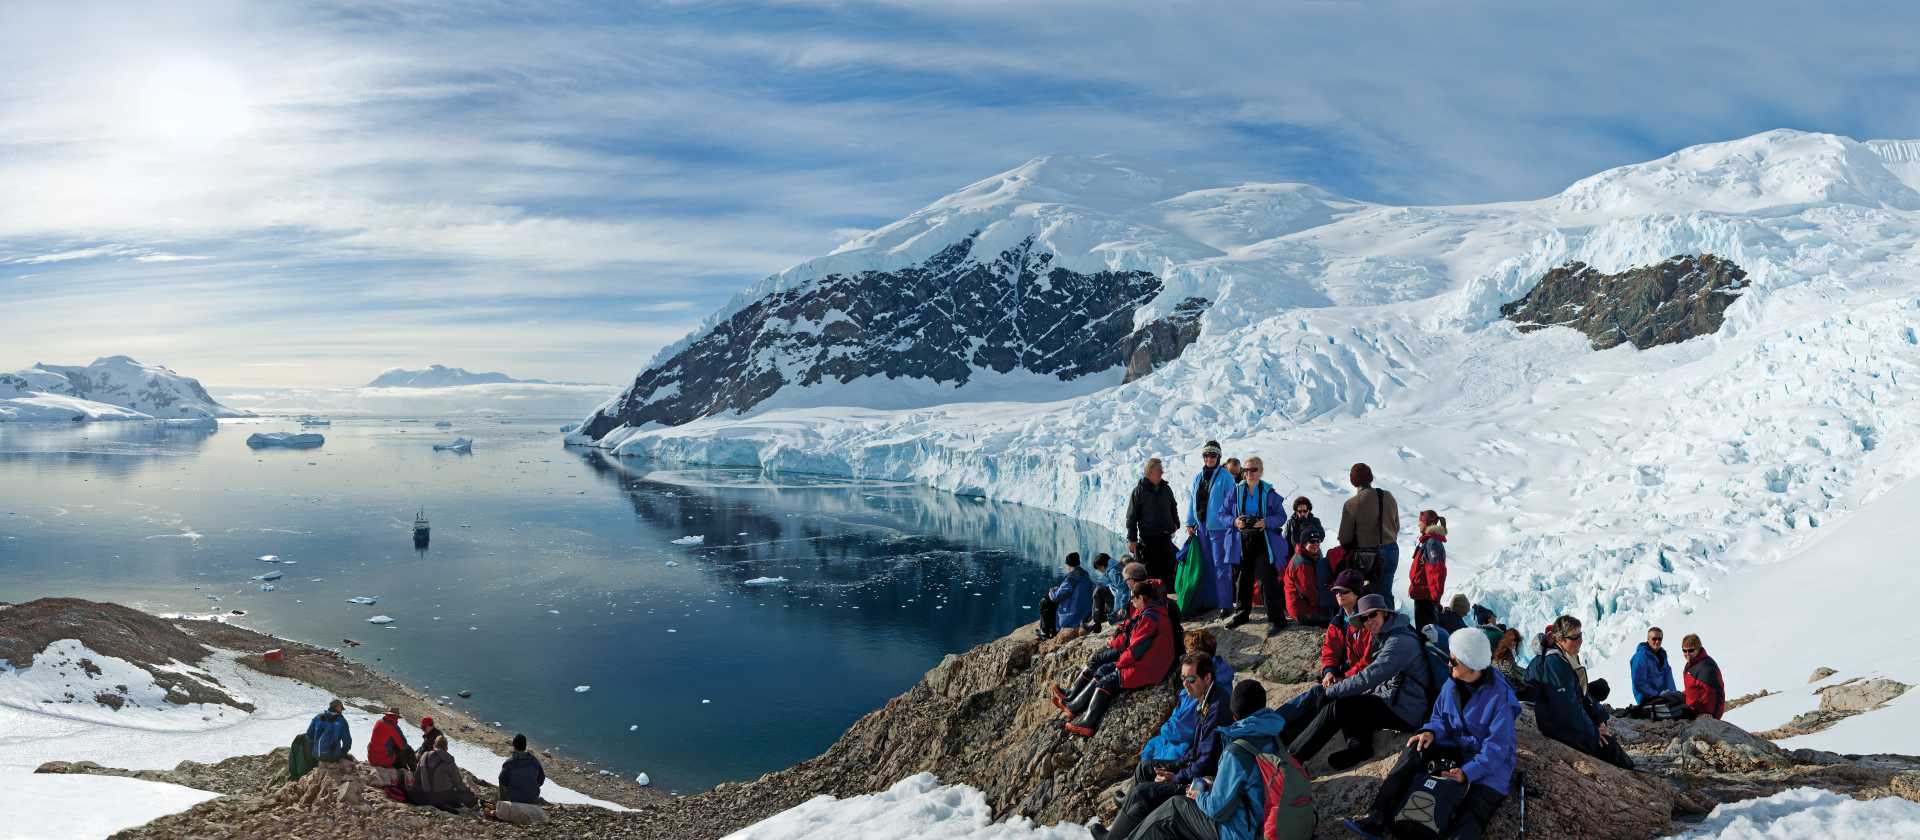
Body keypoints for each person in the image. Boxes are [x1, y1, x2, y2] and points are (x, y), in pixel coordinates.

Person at [1342, 629, 1520, 840]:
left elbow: (1497, 749)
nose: (1448, 664)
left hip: (1487, 761)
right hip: (1454, 745)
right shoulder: (1452, 684)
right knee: (1416, 747)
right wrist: (1430, 732)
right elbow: (1439, 718)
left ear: (1470, 664)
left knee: (1476, 807)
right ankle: (1378, 816)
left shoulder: (1501, 697)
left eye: (1453, 661)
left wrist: (1467, 772)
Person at [1117, 681, 1288, 840]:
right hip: (1261, 819)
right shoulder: (1273, 736)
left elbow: (1217, 810)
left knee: (1174, 807)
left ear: (1234, 716)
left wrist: (1200, 795)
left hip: (1241, 832)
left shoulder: (1237, 751)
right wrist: (1213, 784)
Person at [1287, 595, 1436, 770]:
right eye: (1364, 618)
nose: (1368, 621)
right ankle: (1359, 747)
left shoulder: (1399, 642)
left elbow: (1369, 677)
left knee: (1338, 707)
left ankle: (1293, 760)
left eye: (1373, 615)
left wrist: (1331, 691)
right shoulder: (1388, 634)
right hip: (1396, 699)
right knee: (1351, 700)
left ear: (1385, 614)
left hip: (1406, 709)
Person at [1102, 653, 1234, 840]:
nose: (1185, 684)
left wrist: (1176, 778)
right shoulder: (1206, 698)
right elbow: (1196, 750)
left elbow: (1206, 761)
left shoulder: (1217, 708)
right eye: (1183, 679)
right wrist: (1176, 767)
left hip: (1204, 784)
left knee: (1143, 792)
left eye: (1191, 679)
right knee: (1146, 767)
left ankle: (1122, 827)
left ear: (1207, 678)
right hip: (1197, 770)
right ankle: (1129, 814)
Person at [1052, 583, 1177, 737]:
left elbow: (1135, 651)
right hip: (1150, 662)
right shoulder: (1150, 612)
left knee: (1107, 680)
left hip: (1150, 668)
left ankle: (1088, 722)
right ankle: (1074, 707)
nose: (1131, 601)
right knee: (1103, 670)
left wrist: (1119, 664)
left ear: (1142, 598)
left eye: (1133, 598)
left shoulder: (1149, 619)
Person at [1526, 616, 1632, 769]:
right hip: (1557, 727)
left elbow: (1582, 695)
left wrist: (1599, 719)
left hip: (1561, 722)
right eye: (1575, 637)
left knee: (1609, 742)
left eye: (1581, 635)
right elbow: (1568, 710)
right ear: (1561, 640)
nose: (1580, 640)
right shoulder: (1555, 664)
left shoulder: (1566, 657)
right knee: (1610, 748)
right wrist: (1594, 733)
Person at [1141, 631, 1237, 764]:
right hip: (1186, 739)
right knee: (1150, 748)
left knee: (1148, 759)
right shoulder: (1219, 673)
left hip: (1186, 746)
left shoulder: (1202, 688)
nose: (1186, 657)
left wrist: (1164, 728)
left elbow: (1182, 729)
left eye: (1189, 653)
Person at [1219, 457, 1288, 635]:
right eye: (1246, 470)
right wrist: (1235, 522)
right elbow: (1222, 514)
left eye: (1253, 470)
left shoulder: (1268, 492)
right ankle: (1242, 614)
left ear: (1261, 471)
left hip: (1263, 539)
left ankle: (1277, 619)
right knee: (1243, 577)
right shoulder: (1236, 491)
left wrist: (1266, 522)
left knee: (1268, 578)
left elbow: (1282, 517)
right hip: (1242, 539)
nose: (1249, 473)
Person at [1337, 463, 1401, 607]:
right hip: (1392, 549)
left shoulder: (1352, 504)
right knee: (1386, 592)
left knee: (1372, 596)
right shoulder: (1388, 496)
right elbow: (1396, 526)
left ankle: (1374, 627)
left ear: (1353, 481)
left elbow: (1344, 537)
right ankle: (1390, 624)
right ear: (1370, 478)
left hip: (1368, 556)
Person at [1187, 441, 1238, 613]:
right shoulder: (1198, 477)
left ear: (1218, 457)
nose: (1209, 458)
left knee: (1221, 566)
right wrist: (1189, 522)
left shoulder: (1226, 477)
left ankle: (1225, 604)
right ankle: (1210, 602)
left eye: (1213, 455)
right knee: (1207, 564)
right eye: (1206, 455)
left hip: (1220, 529)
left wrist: (1230, 522)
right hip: (1202, 527)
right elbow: (1191, 501)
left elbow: (1232, 503)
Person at [1127, 458, 1182, 585]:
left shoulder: (1166, 489)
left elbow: (1173, 506)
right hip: (1149, 542)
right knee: (1152, 574)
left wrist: (1176, 523)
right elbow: (1132, 517)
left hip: (1165, 539)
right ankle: (1154, 603)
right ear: (1150, 472)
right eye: (1159, 470)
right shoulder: (1139, 492)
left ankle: (1167, 601)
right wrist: (1132, 539)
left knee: (1168, 571)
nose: (1162, 472)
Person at [1282, 506, 1327, 626]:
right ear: (1303, 543)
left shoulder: (1308, 556)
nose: (1316, 544)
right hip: (1302, 611)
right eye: (1312, 541)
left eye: (1318, 541)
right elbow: (1308, 592)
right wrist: (1325, 604)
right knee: (1335, 618)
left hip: (1304, 606)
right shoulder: (1302, 564)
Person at [412, 735, 479, 811]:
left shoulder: (424, 755)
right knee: (463, 794)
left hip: (425, 796)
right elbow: (458, 783)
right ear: (446, 748)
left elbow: (416, 777)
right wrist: (469, 792)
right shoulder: (448, 760)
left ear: (434, 745)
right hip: (443, 798)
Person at [1039, 552, 1095, 641]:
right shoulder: (1085, 575)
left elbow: (1056, 597)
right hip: (1085, 611)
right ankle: (1050, 629)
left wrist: (1052, 591)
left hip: (1073, 616)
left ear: (1068, 564)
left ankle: (1045, 632)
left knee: (1045, 601)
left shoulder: (1071, 578)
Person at [495, 733, 549, 825]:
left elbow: (502, 780)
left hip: (514, 800)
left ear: (514, 745)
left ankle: (503, 804)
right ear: (525, 746)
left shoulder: (510, 762)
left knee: (501, 781)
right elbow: (541, 779)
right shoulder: (534, 760)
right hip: (532, 800)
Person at [1408, 510, 1448, 629]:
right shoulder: (1429, 541)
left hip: (1426, 597)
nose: (1418, 524)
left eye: (1420, 522)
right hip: (1423, 595)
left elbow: (1436, 572)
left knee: (1426, 635)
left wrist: (1435, 598)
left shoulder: (1432, 543)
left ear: (1427, 523)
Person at [1630, 627, 1679, 706]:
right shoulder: (1641, 657)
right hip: (1646, 697)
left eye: (1660, 639)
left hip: (1662, 695)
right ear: (1648, 639)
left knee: (1680, 699)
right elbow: (1639, 683)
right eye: (1654, 639)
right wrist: (1658, 694)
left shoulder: (1662, 654)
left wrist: (1672, 694)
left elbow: (1668, 676)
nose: (1657, 641)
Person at [1682, 634, 1727, 720]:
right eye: (1684, 650)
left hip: (1703, 714)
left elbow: (1714, 694)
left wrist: (1709, 714)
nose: (1687, 654)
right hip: (1693, 708)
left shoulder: (1706, 667)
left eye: (1691, 650)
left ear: (1698, 649)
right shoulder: (1691, 664)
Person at [367, 707, 413, 786]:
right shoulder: (393, 727)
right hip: (384, 760)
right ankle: (410, 772)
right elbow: (403, 745)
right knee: (406, 749)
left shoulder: (379, 722)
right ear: (396, 717)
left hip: (371, 757)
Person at [306, 699, 353, 763]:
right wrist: (342, 753)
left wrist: (315, 748)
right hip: (332, 757)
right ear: (337, 707)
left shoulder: (318, 717)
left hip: (316, 754)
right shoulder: (342, 721)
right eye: (341, 708)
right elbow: (347, 741)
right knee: (350, 759)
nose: (341, 710)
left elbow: (309, 734)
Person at [1491, 628, 1529, 702]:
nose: (1515, 643)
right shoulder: (1505, 655)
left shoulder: (1504, 652)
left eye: (1516, 640)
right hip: (1505, 692)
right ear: (1507, 639)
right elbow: (1511, 672)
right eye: (1513, 640)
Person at [1089, 553, 1120, 634]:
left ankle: (1096, 623)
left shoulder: (1113, 572)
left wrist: (1116, 612)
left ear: (1102, 566)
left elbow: (1121, 592)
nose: (1100, 571)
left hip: (1122, 606)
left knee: (1098, 591)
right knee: (1099, 591)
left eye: (1099, 569)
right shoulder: (1115, 566)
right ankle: (1096, 622)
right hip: (1119, 600)